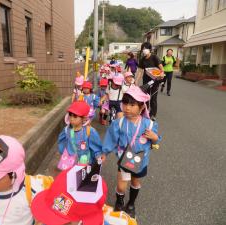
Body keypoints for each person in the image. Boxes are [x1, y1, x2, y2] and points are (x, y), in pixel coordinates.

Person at [102, 85, 161, 218]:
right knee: (122, 186)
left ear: (141, 107)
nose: (127, 107)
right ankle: (120, 201)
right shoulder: (119, 123)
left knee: (135, 182)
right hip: (124, 160)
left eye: (132, 104)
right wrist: (104, 153)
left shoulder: (149, 124)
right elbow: (110, 139)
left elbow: (156, 141)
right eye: (125, 103)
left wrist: (155, 137)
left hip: (140, 161)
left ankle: (131, 204)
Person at [58, 101, 104, 170]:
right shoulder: (66, 130)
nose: (71, 118)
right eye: (70, 114)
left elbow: (96, 149)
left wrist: (98, 159)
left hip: (85, 164)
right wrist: (64, 155)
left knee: (83, 180)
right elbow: (61, 144)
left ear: (84, 118)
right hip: (69, 165)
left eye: (75, 116)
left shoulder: (89, 131)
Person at [135, 42, 164, 121]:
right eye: (143, 49)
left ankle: (153, 114)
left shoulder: (154, 57)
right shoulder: (142, 60)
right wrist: (136, 81)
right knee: (146, 97)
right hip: (146, 81)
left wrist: (162, 74)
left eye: (145, 49)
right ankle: (146, 112)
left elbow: (161, 67)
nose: (144, 50)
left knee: (153, 98)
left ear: (149, 49)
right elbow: (140, 71)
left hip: (155, 81)